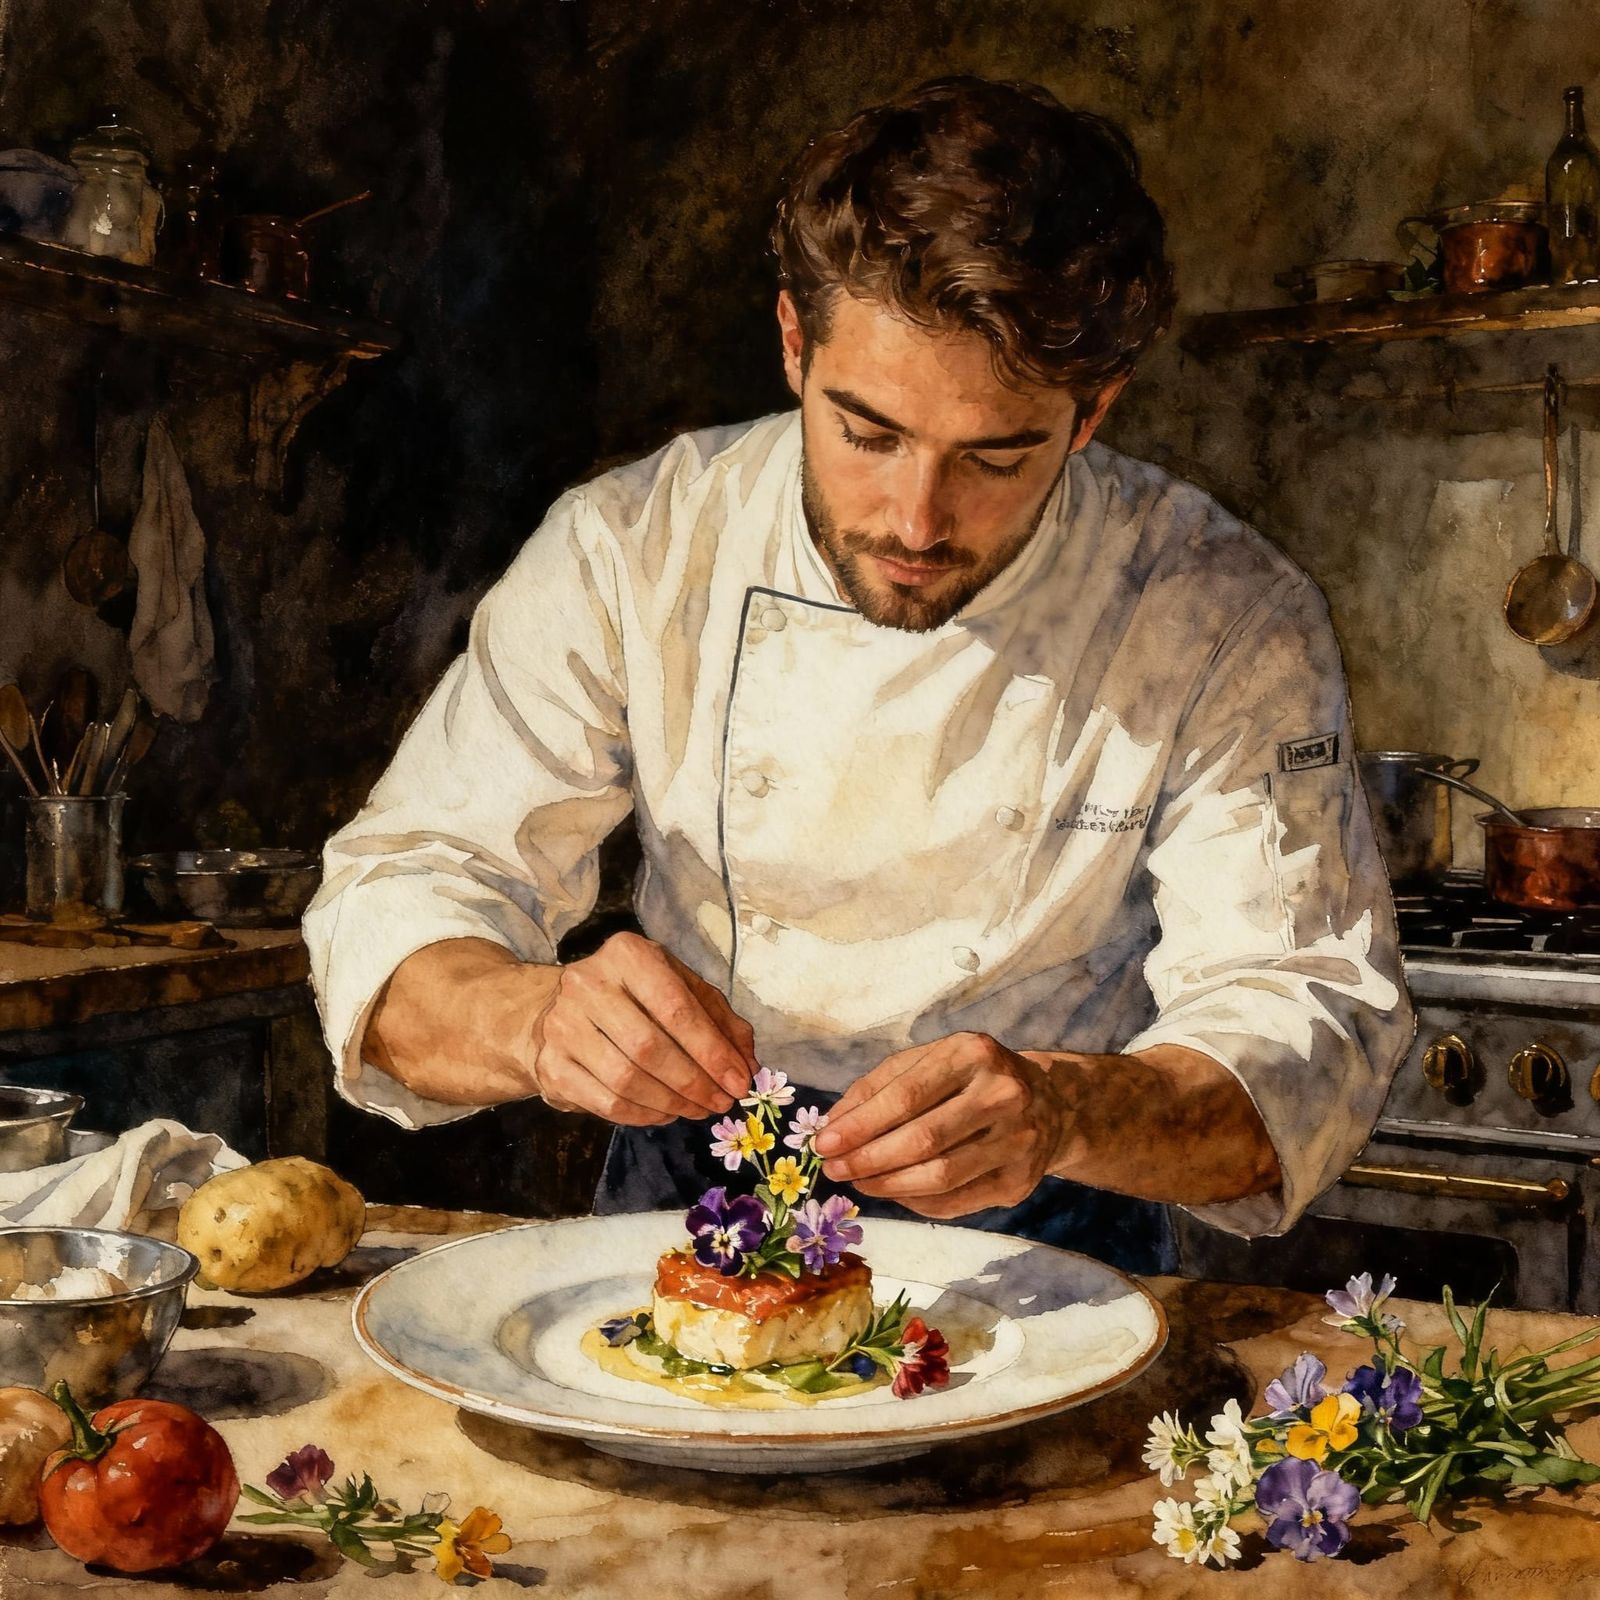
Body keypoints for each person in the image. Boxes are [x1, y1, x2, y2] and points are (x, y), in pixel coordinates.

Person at [303, 75, 1414, 1274]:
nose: (916, 519)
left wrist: (1064, 1110)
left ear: (1092, 413)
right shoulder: (634, 547)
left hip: (1054, 1230)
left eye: (995, 457)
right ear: (794, 343)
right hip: (687, 1201)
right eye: (868, 433)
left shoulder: (1218, 610)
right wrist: (535, 1021)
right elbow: (404, 892)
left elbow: (1307, 1020)